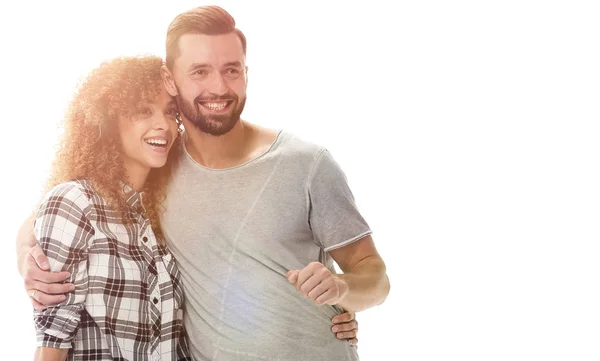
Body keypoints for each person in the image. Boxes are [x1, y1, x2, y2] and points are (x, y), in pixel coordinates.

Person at [18, 5, 388, 361]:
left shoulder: (307, 164)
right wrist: (28, 260)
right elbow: (60, 209)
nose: (218, 87)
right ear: (171, 79)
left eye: (231, 70)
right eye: (199, 71)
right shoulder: (159, 165)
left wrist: (342, 289)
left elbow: (376, 278)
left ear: (246, 73)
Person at [29, 55, 191, 360]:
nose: (164, 125)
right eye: (144, 110)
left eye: (171, 113)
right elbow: (52, 339)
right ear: (109, 119)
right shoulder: (76, 203)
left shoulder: (160, 210)